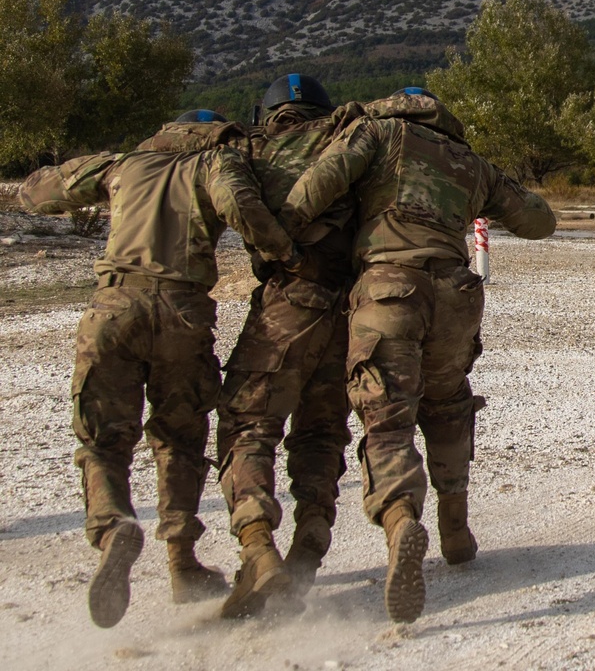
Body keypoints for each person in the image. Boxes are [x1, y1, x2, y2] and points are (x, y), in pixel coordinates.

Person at [280, 88, 556, 623]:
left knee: (387, 418)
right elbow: (539, 221)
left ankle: (402, 520)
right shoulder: (470, 162)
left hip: (389, 289)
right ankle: (456, 525)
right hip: (457, 292)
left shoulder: (375, 134)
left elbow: (312, 191)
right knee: (449, 400)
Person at [19, 110, 297, 629]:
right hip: (182, 313)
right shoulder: (215, 163)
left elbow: (37, 194)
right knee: (180, 438)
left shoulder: (123, 165)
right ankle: (182, 561)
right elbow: (240, 205)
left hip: (113, 308)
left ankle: (112, 525)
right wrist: (280, 251)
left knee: (102, 439)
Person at [215, 74, 364, 618]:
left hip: (288, 301)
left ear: (270, 112)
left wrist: (278, 248)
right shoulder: (352, 138)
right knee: (322, 431)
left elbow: (229, 198)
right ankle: (311, 543)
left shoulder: (250, 149)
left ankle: (257, 547)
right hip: (349, 306)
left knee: (247, 422)